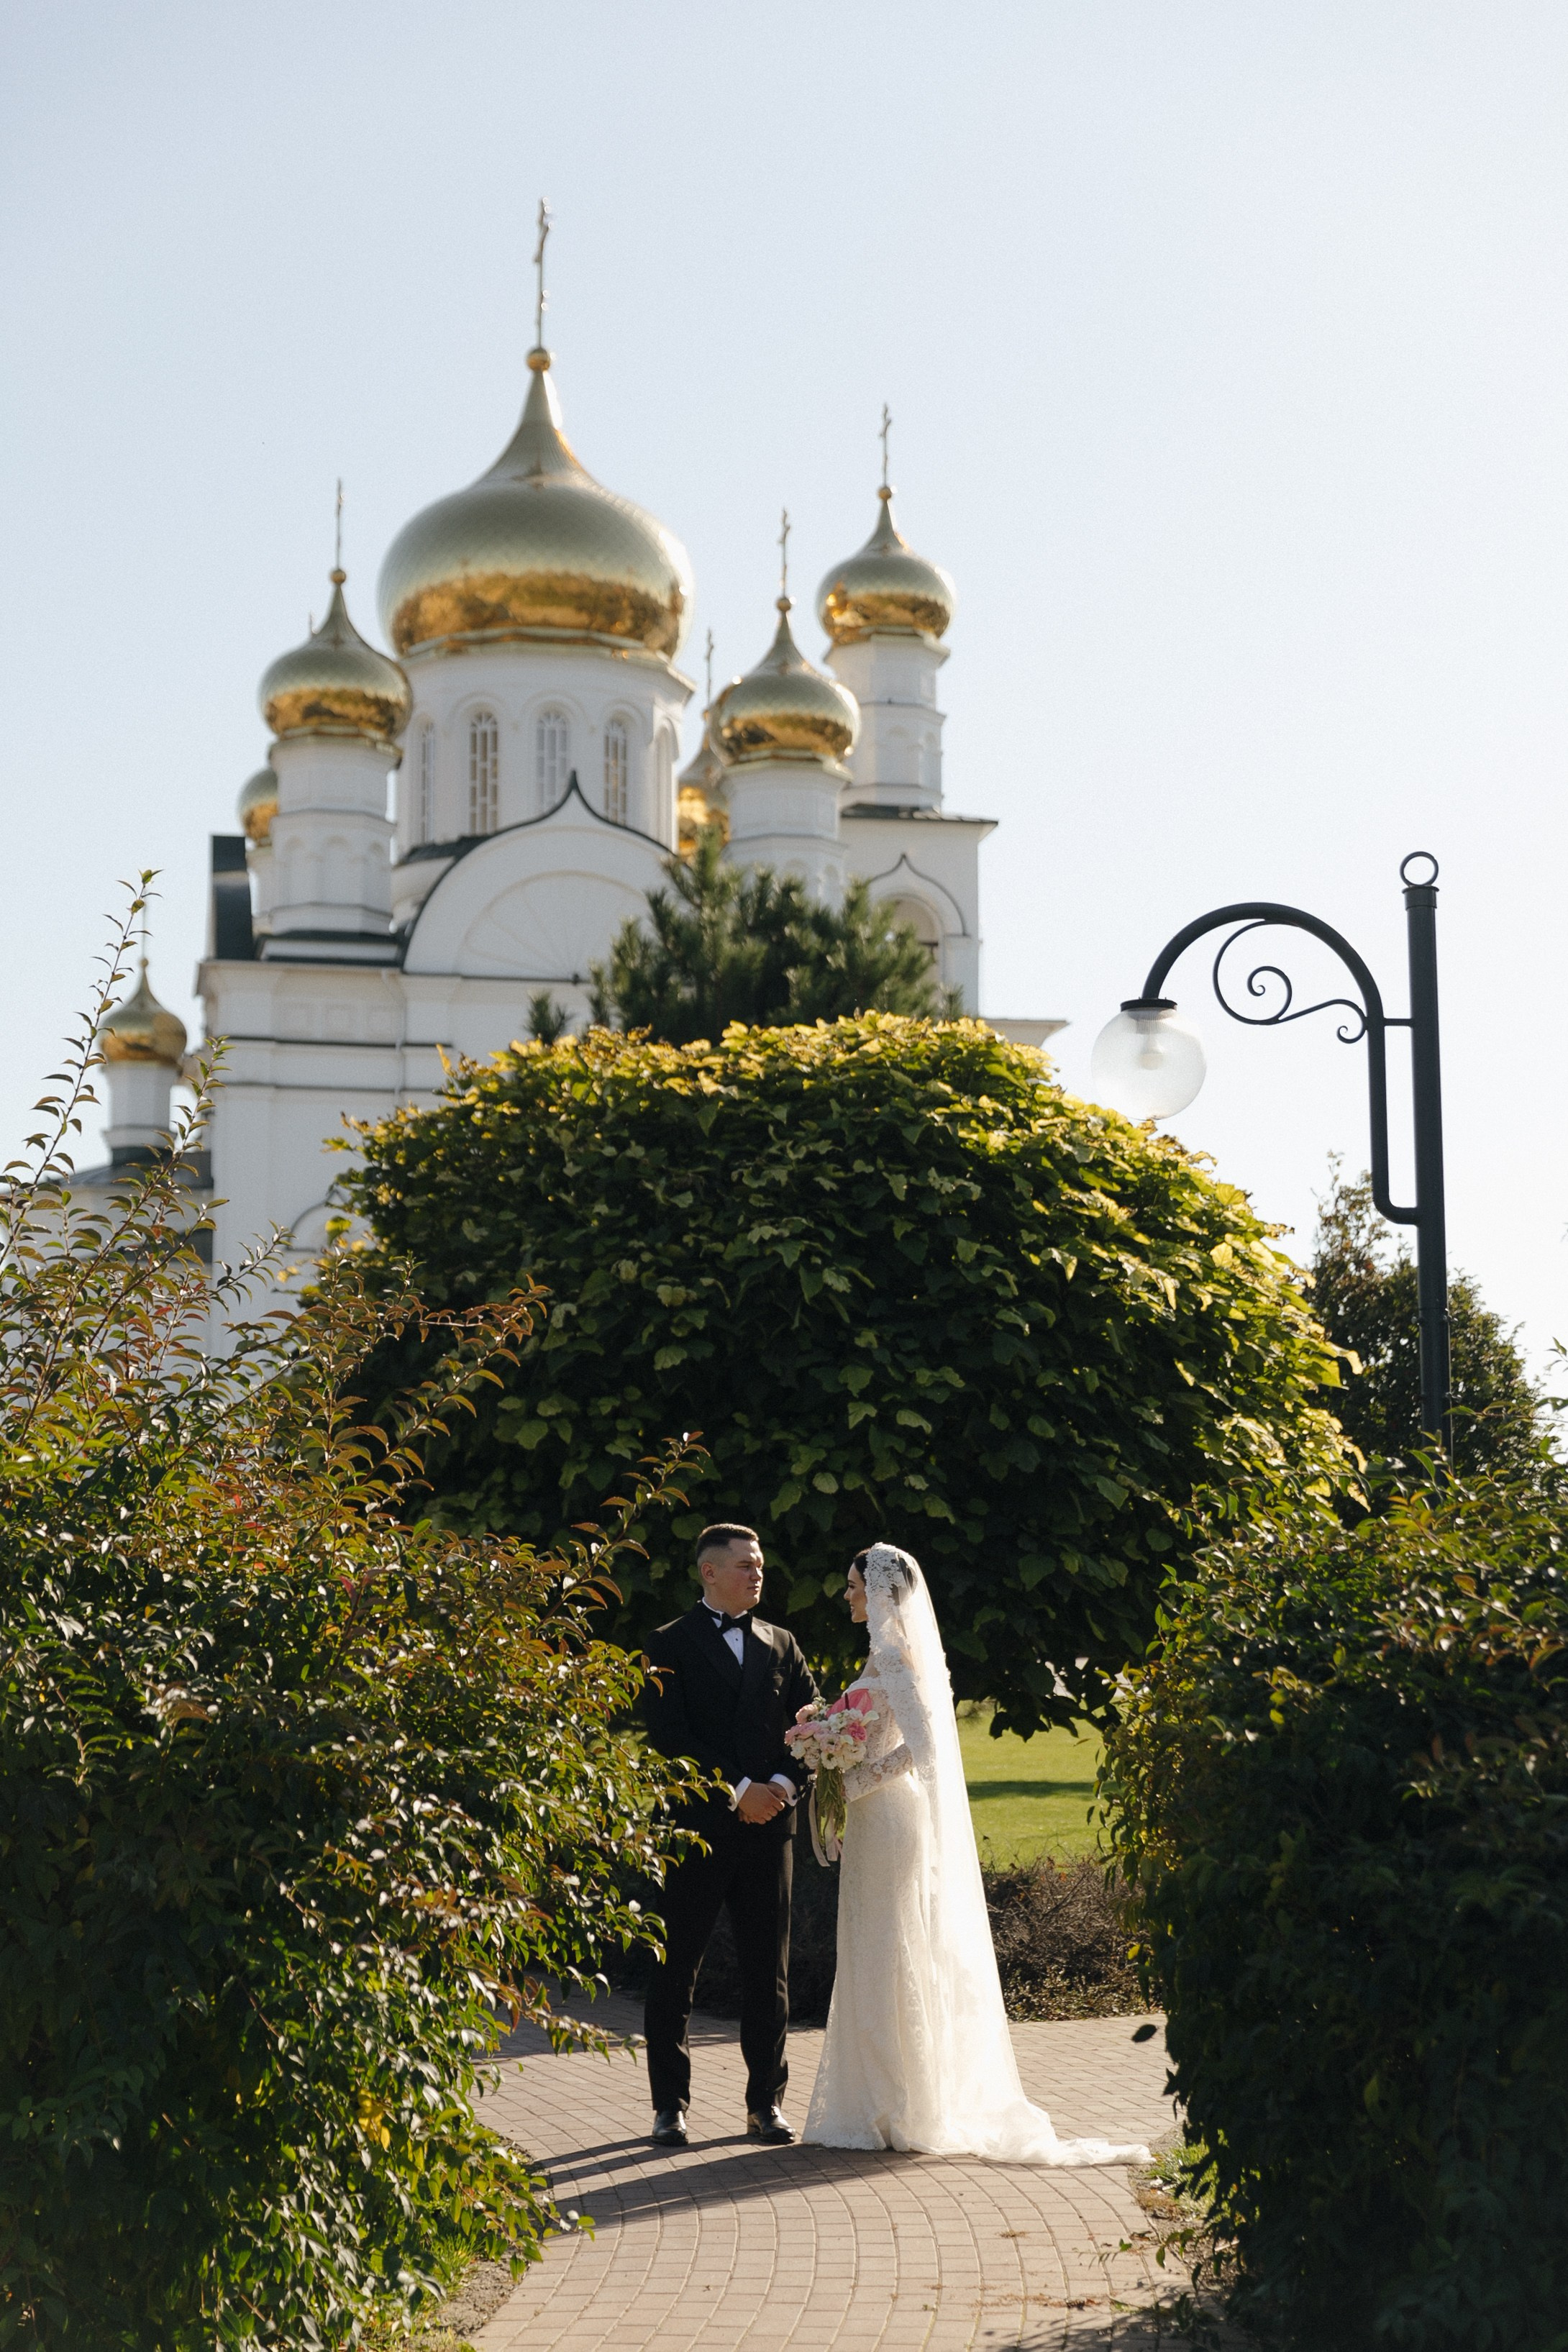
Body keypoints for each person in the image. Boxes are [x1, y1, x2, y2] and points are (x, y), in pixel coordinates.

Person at [801, 1541, 1151, 2165]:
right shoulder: (878, 1655)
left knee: (888, 1948)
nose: (848, 1594)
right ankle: (879, 2099)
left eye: (855, 1585)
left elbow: (925, 1748)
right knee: (872, 1947)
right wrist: (832, 1766)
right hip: (871, 1820)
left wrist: (850, 1780)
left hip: (889, 1820)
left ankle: (899, 2103)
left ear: (881, 1591)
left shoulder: (891, 1656)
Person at [642, 1523, 819, 2148]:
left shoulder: (783, 1642)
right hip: (698, 1831)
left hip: (772, 1831)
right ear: (708, 1572)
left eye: (760, 1564)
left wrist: (780, 1786)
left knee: (767, 1970)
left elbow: (813, 1724)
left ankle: (765, 2105)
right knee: (676, 1969)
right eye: (744, 1565)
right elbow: (670, 1738)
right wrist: (740, 1790)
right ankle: (670, 2107)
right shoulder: (668, 1643)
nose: (757, 1574)